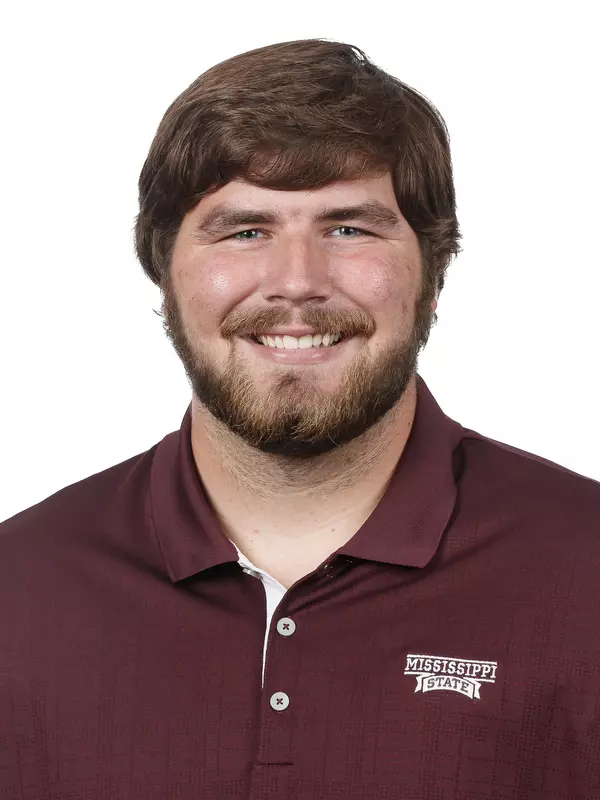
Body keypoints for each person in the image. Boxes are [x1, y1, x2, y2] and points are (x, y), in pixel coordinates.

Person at [1, 38, 598, 800]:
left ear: (433, 274)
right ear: (164, 269)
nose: (297, 283)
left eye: (349, 228)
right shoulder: (16, 590)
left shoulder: (587, 572)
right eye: (245, 230)